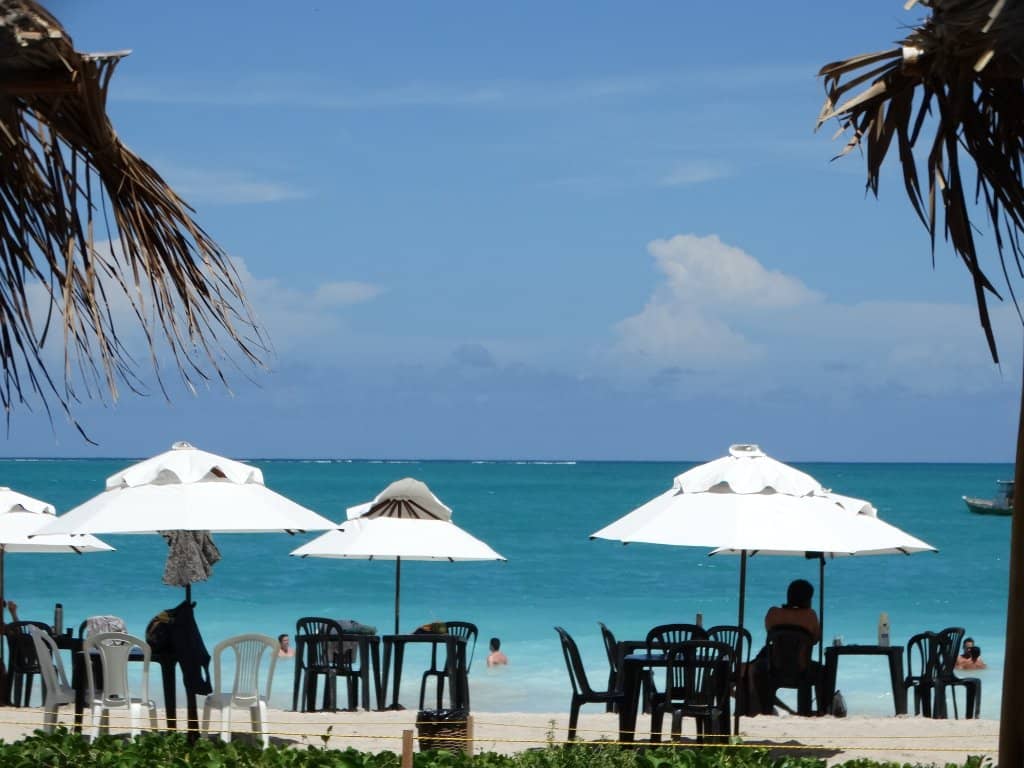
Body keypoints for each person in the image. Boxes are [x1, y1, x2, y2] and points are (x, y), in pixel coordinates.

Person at [745, 579, 825, 716]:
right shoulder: (810, 615)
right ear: (807, 598)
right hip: (802, 668)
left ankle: (764, 707)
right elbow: (816, 639)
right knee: (824, 673)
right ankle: (823, 709)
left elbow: (769, 631)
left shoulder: (773, 614)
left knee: (759, 667)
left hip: (775, 667)